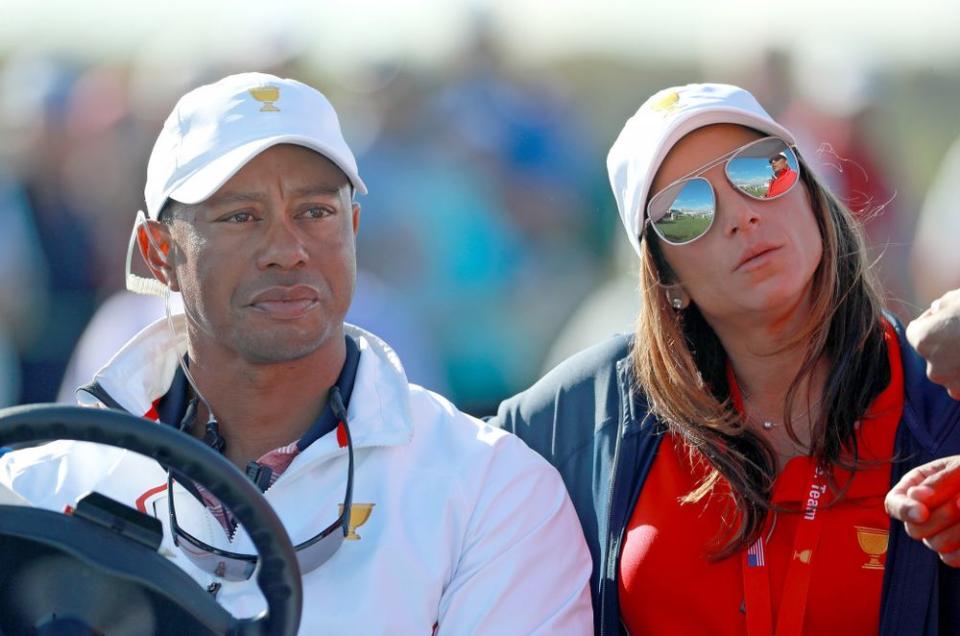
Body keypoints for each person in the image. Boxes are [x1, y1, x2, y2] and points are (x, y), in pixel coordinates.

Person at [0, 72, 593, 634]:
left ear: (352, 229)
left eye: (316, 213)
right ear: (160, 253)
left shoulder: (493, 490)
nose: (287, 249)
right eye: (240, 216)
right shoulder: (37, 491)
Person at [492, 83, 960, 635]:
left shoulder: (939, 391)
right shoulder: (581, 415)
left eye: (763, 170)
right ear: (665, 277)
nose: (741, 215)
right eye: (686, 210)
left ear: (810, 194)